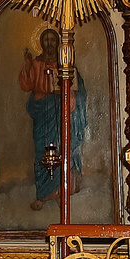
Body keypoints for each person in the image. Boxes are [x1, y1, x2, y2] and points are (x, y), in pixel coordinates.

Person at [21, 27, 87, 211]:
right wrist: (27, 66)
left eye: (52, 40)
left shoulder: (66, 65)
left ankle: (62, 192)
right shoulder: (36, 63)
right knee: (43, 149)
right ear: (41, 43)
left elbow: (77, 89)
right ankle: (43, 194)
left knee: (63, 147)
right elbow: (27, 85)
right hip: (43, 112)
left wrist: (72, 96)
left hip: (61, 111)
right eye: (46, 40)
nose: (49, 44)